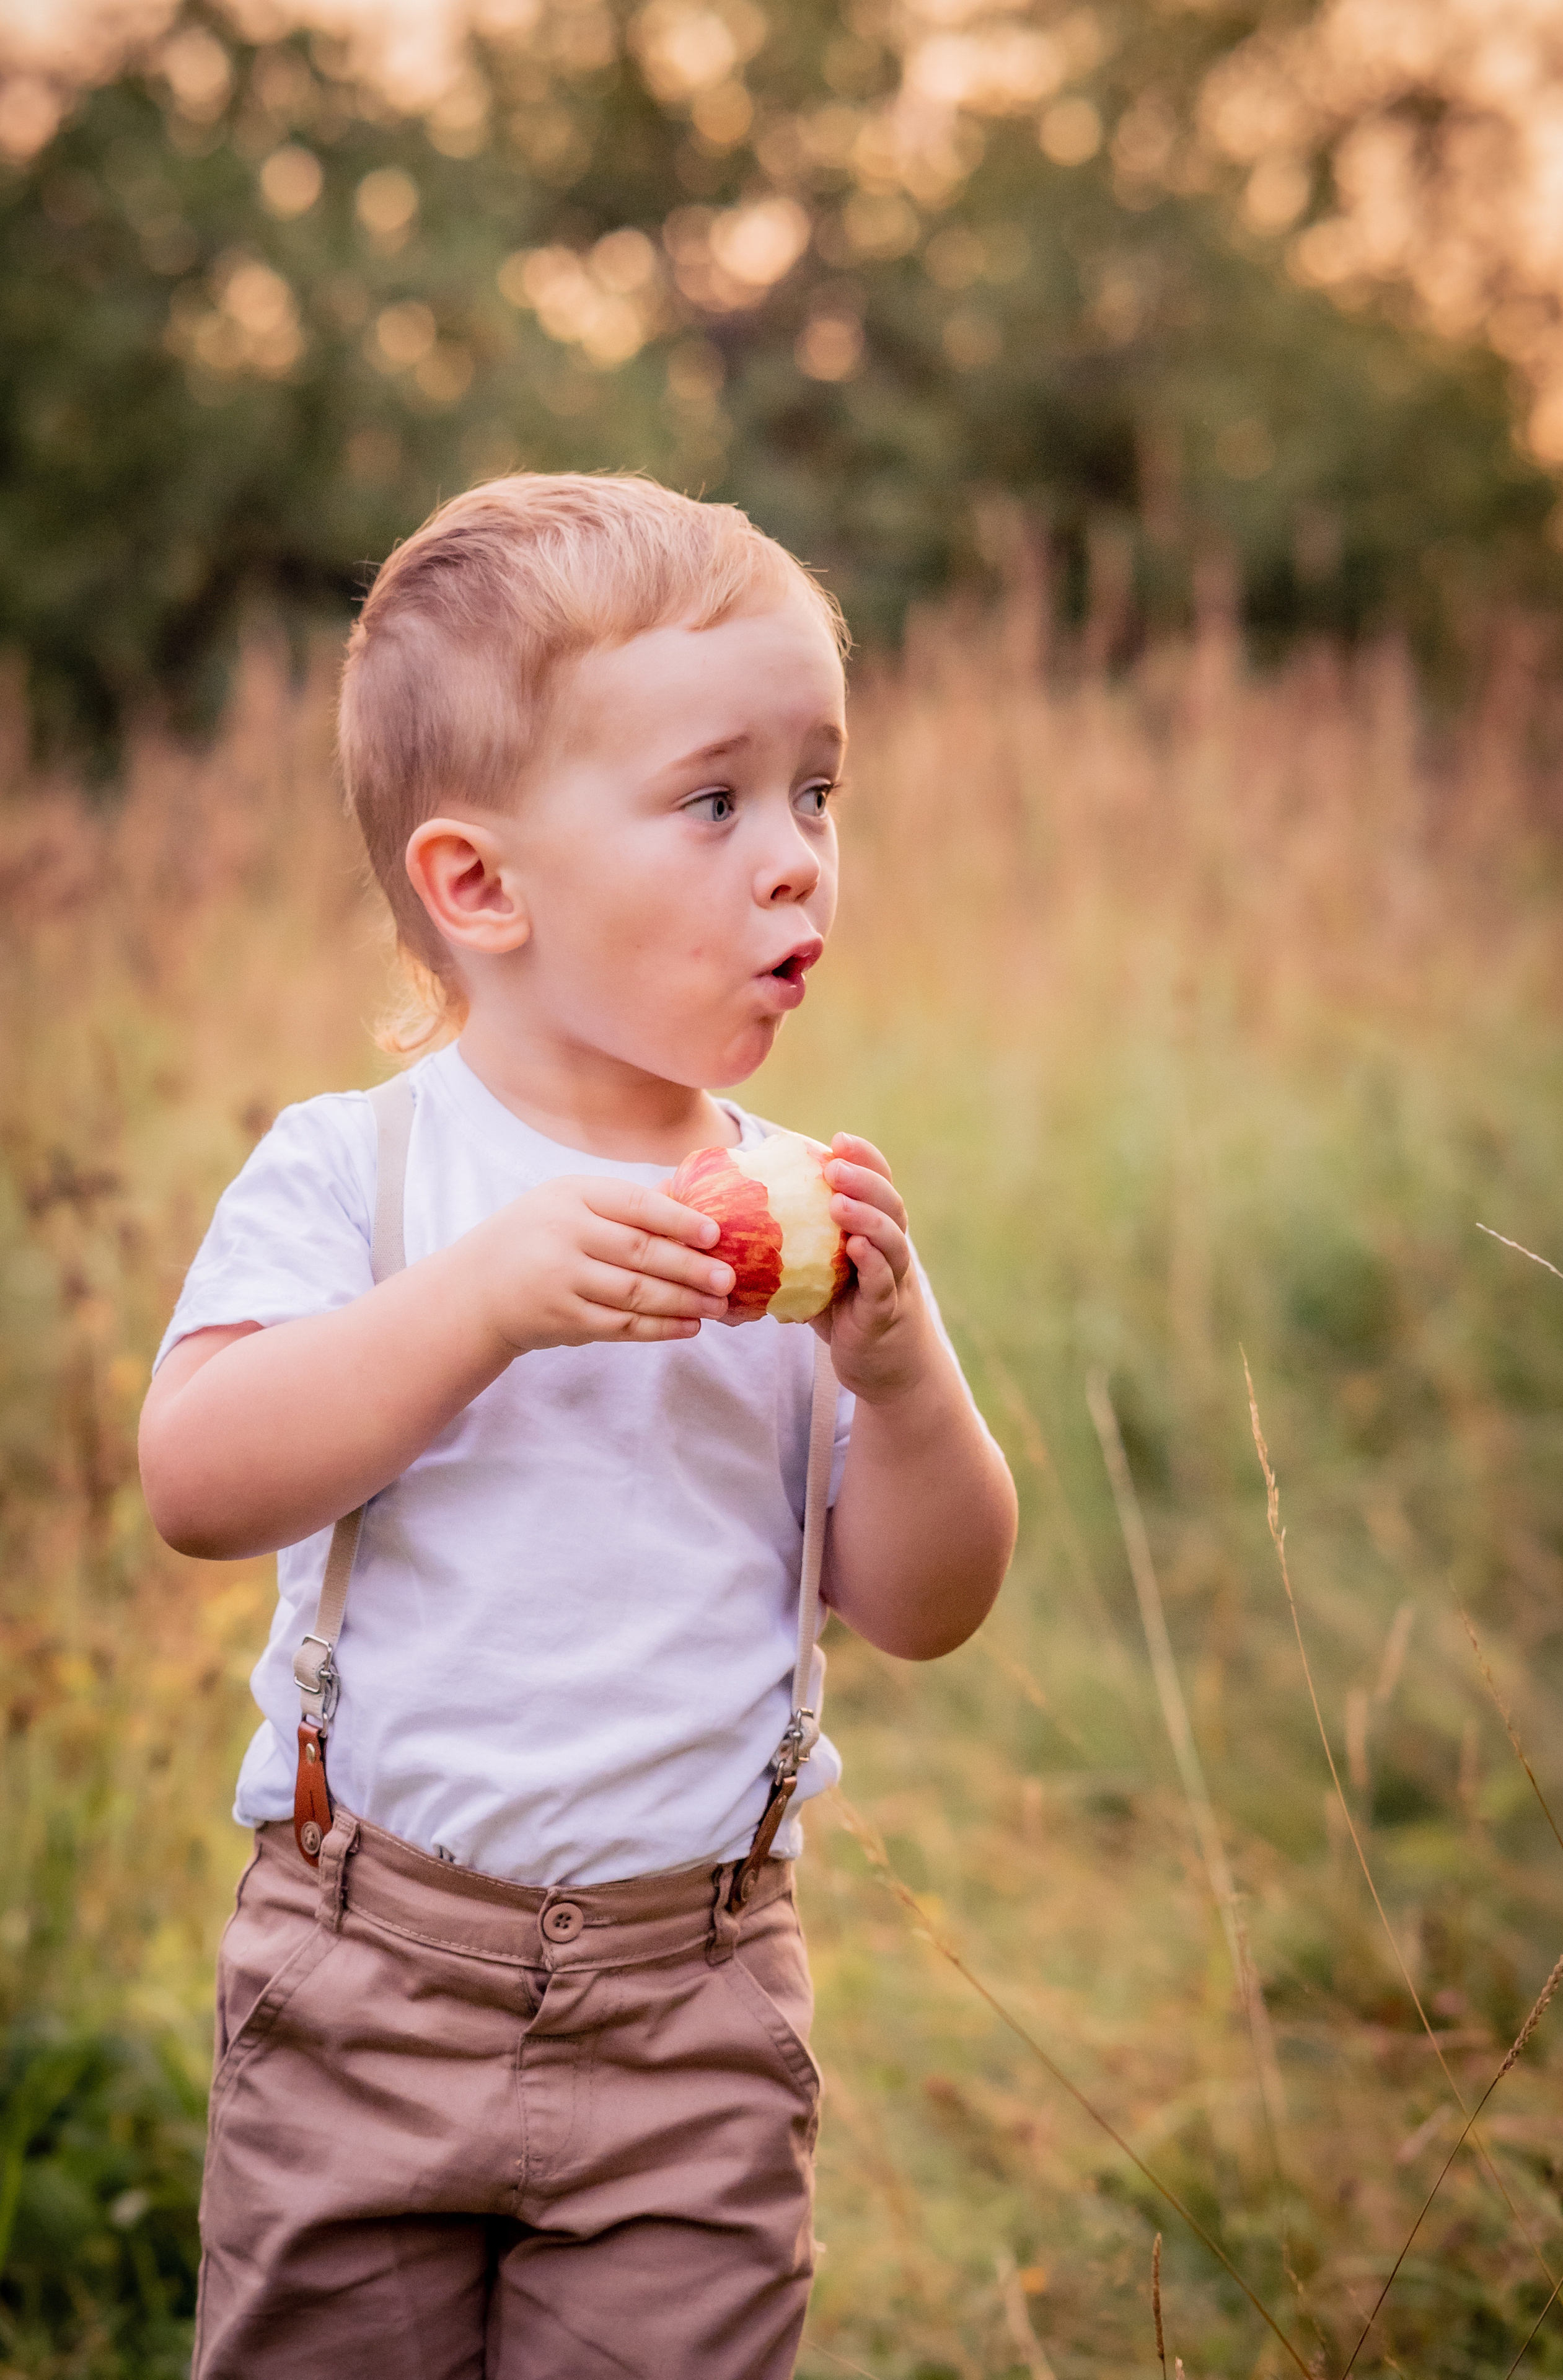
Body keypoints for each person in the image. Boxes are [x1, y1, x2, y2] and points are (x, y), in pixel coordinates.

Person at [139, 472, 1017, 2379]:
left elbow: (926, 1602)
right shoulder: (362, 1172)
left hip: (693, 2007)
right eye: (715, 802)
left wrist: (899, 1377)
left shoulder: (807, 1213)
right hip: (368, 1975)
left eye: (817, 791)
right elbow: (197, 1479)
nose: (796, 861)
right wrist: (476, 1305)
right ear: (481, 886)